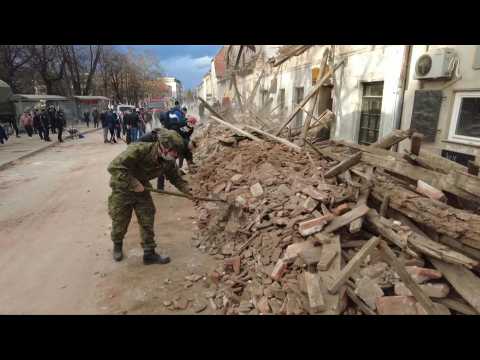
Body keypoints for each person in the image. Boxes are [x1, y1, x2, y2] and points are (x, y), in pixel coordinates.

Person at [107, 129, 191, 264]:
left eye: (177, 152)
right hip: (122, 188)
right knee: (120, 220)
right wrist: (133, 183)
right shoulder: (139, 150)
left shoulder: (168, 161)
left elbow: (176, 178)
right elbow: (114, 167)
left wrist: (189, 191)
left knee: (147, 217)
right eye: (173, 151)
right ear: (163, 147)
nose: (175, 155)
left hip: (142, 189)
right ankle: (117, 244)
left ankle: (149, 253)